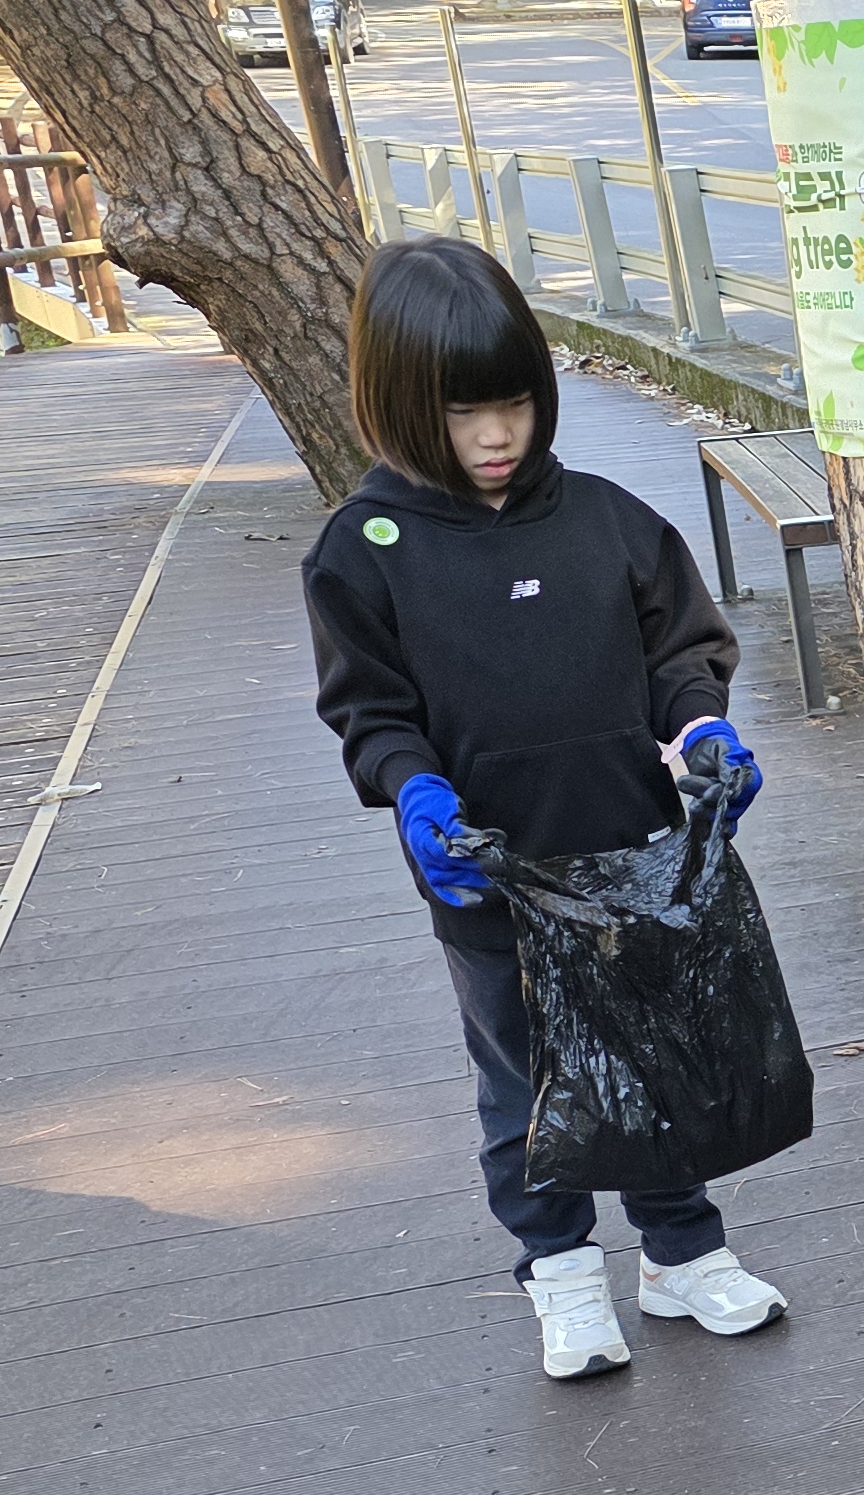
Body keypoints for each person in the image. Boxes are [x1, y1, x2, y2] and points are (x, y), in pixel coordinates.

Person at [305, 235, 791, 1381]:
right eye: (462, 413)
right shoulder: (362, 551)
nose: (494, 437)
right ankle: (562, 1273)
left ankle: (680, 1252)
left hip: (631, 850)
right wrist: (413, 790)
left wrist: (702, 727)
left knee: (653, 1058)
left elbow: (681, 647)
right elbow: (370, 712)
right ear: (397, 404)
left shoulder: (607, 520)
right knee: (525, 1076)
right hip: (490, 875)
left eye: (515, 405)